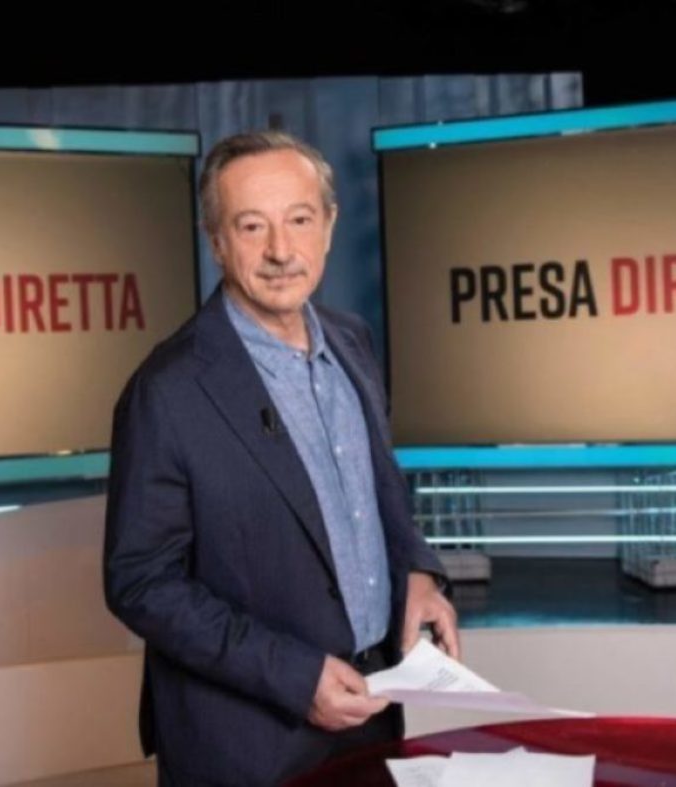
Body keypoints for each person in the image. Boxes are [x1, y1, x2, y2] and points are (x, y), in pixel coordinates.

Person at [103, 130, 458, 786]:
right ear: (216, 240)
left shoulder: (352, 340)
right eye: (251, 226)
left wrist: (416, 569)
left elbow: (376, 488)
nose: (280, 251)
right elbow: (141, 581)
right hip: (246, 745)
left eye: (299, 219)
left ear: (329, 225)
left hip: (373, 712)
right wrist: (296, 676)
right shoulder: (167, 390)